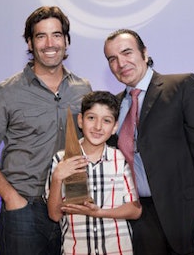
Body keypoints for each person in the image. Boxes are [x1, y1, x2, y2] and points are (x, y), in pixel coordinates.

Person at [0, 6, 92, 255]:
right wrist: (13, 199)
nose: (50, 43)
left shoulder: (83, 89)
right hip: (24, 211)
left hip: (72, 209)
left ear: (67, 41)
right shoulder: (6, 92)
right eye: (41, 36)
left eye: (57, 35)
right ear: (29, 42)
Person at [103, 29, 194, 255]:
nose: (120, 63)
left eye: (127, 52)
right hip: (139, 222)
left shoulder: (183, 86)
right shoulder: (113, 106)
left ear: (144, 53)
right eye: (112, 59)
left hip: (189, 220)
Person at [46, 91, 142, 255]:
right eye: (91, 118)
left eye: (106, 121)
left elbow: (135, 210)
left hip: (117, 250)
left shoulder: (120, 158)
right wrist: (57, 178)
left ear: (114, 127)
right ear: (80, 121)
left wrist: (99, 212)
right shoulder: (62, 159)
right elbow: (55, 215)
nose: (98, 127)